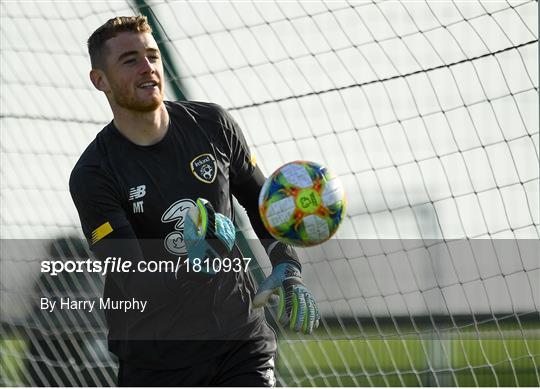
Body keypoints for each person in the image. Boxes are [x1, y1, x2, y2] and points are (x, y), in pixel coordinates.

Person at [69, 16, 319, 387]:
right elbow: (131, 278)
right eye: (130, 60)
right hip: (156, 361)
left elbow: (263, 203)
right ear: (100, 80)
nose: (148, 68)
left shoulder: (213, 124)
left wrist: (287, 265)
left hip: (240, 342)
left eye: (152, 55)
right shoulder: (94, 174)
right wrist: (195, 262)